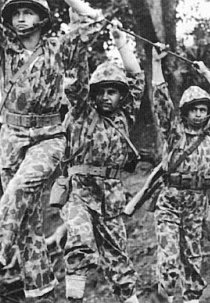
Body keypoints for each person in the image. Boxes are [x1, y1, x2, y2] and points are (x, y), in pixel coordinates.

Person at [0, 0, 103, 301]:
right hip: (11, 137)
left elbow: (85, 24)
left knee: (21, 185)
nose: (21, 19)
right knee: (27, 225)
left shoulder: (59, 47)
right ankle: (42, 295)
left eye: (28, 13)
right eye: (16, 14)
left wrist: (83, 9)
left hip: (49, 135)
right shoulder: (0, 46)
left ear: (42, 17)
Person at [59, 20, 144, 303]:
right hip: (80, 193)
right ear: (93, 94)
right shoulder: (82, 111)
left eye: (113, 91)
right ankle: (74, 298)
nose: (107, 97)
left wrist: (120, 40)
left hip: (111, 197)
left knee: (119, 259)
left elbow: (137, 77)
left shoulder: (124, 116)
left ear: (121, 96)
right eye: (101, 91)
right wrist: (83, 28)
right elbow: (76, 76)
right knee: (80, 244)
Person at [150, 45, 210, 303]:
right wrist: (156, 63)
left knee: (193, 260)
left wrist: (207, 74)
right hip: (171, 201)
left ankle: (192, 299)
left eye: (203, 110)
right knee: (169, 260)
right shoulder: (174, 132)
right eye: (194, 109)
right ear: (185, 111)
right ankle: (165, 295)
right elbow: (161, 100)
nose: (199, 114)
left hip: (197, 204)